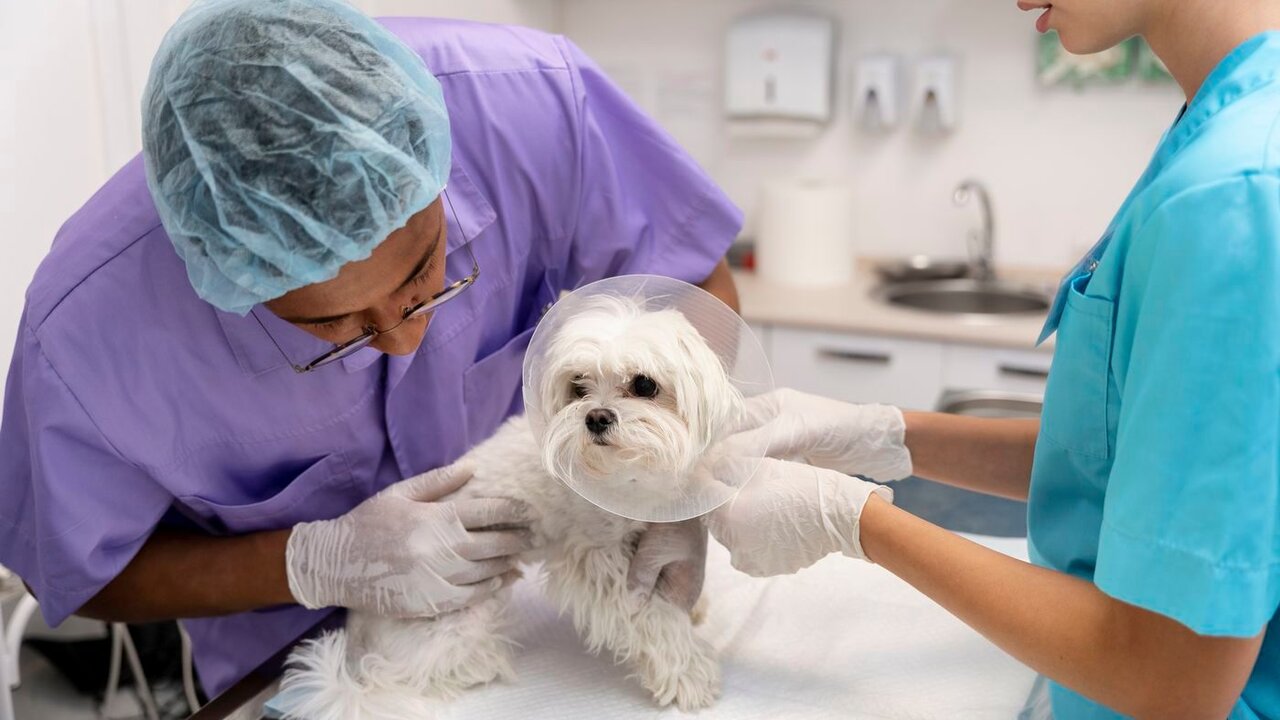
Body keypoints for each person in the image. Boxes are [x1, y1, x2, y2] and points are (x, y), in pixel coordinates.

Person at [0, 0, 737, 698]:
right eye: (333, 330)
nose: (407, 333)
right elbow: (79, 575)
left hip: (538, 603)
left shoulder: (531, 108)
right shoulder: (83, 340)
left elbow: (694, 276)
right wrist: (311, 563)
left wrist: (674, 488)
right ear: (231, 280)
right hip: (287, 659)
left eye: (429, 275)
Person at [706, 1, 1280, 718]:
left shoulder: (1233, 196)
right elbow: (1138, 467)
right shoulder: (1228, 133)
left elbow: (1173, 677)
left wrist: (856, 521)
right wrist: (876, 433)